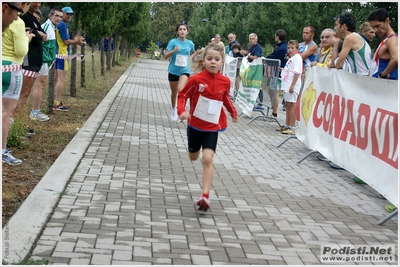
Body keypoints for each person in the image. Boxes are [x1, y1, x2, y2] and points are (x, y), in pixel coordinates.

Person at [177, 43, 239, 211]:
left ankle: (205, 196)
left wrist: (233, 112)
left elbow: (225, 98)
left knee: (208, 158)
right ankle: (193, 151)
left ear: (222, 62)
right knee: (193, 156)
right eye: (209, 59)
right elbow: (182, 95)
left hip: (212, 127)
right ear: (203, 60)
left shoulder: (225, 81)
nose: (213, 62)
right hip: (195, 125)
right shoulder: (195, 80)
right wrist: (182, 111)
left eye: (217, 59)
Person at [2, 2, 34, 165]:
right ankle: (2, 150)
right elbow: (21, 51)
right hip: (12, 69)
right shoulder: (18, 22)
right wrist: (27, 38)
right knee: (6, 113)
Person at [15, 2, 47, 121]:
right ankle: (17, 124)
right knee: (23, 93)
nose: (38, 4)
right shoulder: (24, 19)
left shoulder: (34, 18)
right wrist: (39, 35)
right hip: (29, 61)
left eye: (40, 2)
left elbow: (44, 36)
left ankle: (20, 123)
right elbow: (38, 39)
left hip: (36, 62)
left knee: (26, 94)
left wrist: (39, 34)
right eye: (35, 1)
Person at [30, 7, 63, 122]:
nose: (59, 18)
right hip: (42, 61)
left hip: (46, 61)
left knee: (40, 85)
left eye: (60, 17)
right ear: (50, 16)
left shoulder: (52, 28)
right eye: (57, 16)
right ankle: (35, 111)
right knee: (40, 85)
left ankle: (35, 111)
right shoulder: (46, 26)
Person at [54, 6, 85, 111]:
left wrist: (75, 40)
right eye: (67, 14)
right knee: (61, 80)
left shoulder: (61, 25)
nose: (69, 16)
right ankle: (57, 103)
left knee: (56, 79)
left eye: (71, 14)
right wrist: (76, 41)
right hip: (62, 55)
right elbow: (66, 41)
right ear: (62, 14)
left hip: (58, 54)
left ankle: (54, 101)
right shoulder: (62, 25)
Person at [164, 22, 194, 122]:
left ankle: (180, 111)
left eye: (184, 29)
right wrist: (173, 51)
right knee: (174, 93)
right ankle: (173, 109)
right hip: (173, 70)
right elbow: (165, 56)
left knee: (181, 90)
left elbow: (193, 54)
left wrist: (193, 60)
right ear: (177, 32)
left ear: (187, 32)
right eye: (180, 29)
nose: (182, 31)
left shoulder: (190, 43)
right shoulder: (173, 42)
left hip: (185, 70)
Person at [330, 12, 372, 76]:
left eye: (336, 25)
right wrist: (336, 42)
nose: (334, 28)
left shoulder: (350, 38)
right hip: (363, 79)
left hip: (361, 79)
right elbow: (333, 65)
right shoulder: (355, 37)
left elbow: (338, 65)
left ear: (343, 26)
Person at [277, 40, 302, 135]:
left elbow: (297, 72)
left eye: (292, 48)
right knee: (287, 105)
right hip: (286, 84)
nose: (290, 50)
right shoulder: (291, 58)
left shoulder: (297, 58)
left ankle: (292, 126)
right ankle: (287, 124)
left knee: (292, 105)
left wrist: (292, 85)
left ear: (297, 49)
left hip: (292, 85)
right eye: (289, 48)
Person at [368, 8, 398, 80]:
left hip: (387, 86)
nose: (375, 30)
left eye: (378, 26)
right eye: (373, 27)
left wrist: (382, 75)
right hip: (380, 86)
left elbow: (396, 59)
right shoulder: (386, 39)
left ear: (387, 21)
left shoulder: (392, 39)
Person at [266, 29, 288, 117]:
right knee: (271, 91)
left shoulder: (281, 48)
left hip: (277, 73)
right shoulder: (283, 47)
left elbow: (271, 57)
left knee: (274, 92)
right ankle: (273, 110)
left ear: (277, 37)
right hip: (277, 72)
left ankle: (274, 112)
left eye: (275, 36)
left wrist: (267, 58)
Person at [240, 33, 264, 110]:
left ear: (256, 39)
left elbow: (256, 57)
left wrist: (247, 55)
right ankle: (251, 102)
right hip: (252, 69)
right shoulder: (251, 48)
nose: (251, 40)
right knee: (251, 86)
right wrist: (244, 55)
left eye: (253, 39)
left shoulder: (258, 47)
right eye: (250, 39)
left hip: (257, 70)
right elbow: (249, 57)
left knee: (257, 86)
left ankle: (260, 103)